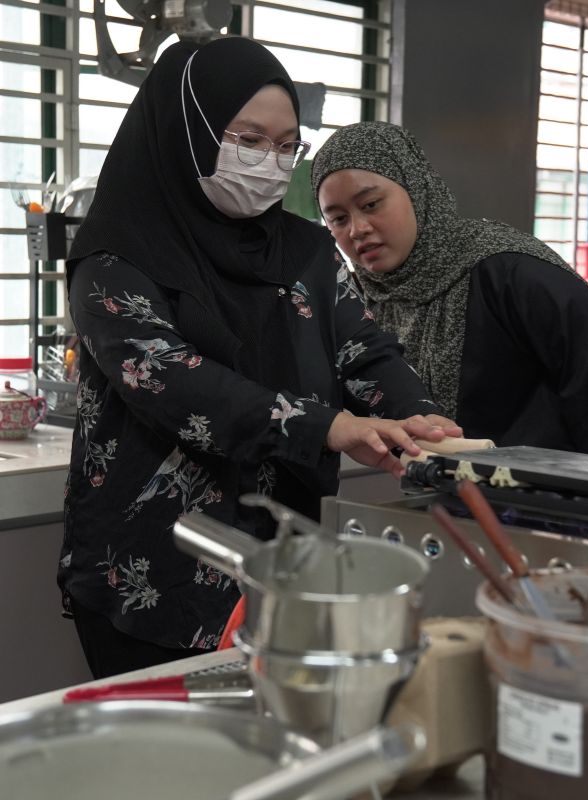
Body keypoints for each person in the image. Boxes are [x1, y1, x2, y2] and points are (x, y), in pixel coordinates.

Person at [59, 39, 460, 679]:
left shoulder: (304, 249)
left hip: (285, 558)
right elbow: (169, 380)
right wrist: (327, 426)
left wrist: (425, 425)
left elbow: (363, 350)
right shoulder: (115, 258)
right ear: (189, 131)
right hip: (158, 569)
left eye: (285, 146)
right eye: (248, 139)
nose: (269, 163)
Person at [312, 121, 588, 462]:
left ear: (416, 188)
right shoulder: (354, 303)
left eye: (371, 204)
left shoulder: (516, 274)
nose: (358, 229)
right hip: (433, 502)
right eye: (339, 219)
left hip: (544, 504)